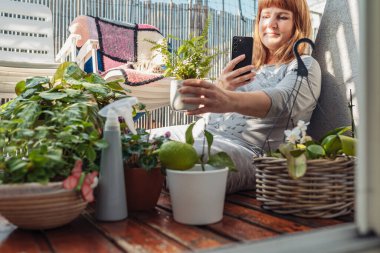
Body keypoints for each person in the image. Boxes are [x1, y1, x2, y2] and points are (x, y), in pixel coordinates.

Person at [151, 0, 321, 193]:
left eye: (282, 17)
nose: (271, 24)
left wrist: (228, 99)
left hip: (250, 152)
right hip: (200, 132)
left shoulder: (304, 65)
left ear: (298, 24)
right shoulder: (248, 68)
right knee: (137, 141)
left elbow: (284, 100)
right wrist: (221, 86)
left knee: (192, 159)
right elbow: (213, 113)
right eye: (265, 16)